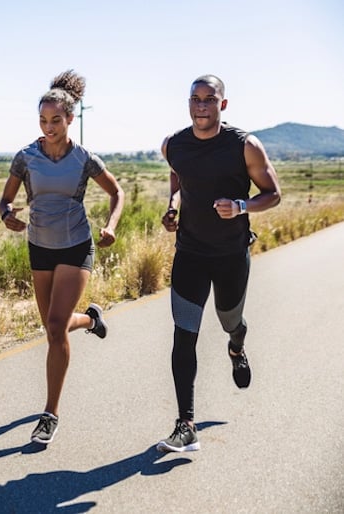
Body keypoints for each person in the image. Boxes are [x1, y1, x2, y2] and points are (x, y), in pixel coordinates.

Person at [0, 69, 124, 445]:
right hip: (39, 246)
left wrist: (112, 226)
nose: (48, 126)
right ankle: (90, 319)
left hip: (74, 245)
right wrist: (7, 215)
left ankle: (50, 413)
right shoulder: (26, 157)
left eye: (56, 120)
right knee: (53, 327)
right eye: (42, 120)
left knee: (54, 328)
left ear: (71, 119)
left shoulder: (85, 159)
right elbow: (5, 199)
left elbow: (117, 193)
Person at [156, 74, 281, 452]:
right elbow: (179, 177)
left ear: (222, 105)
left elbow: (273, 194)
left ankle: (237, 347)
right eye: (195, 99)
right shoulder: (173, 145)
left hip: (230, 255)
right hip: (190, 253)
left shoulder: (245, 146)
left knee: (231, 321)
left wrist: (242, 206)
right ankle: (186, 424)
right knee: (184, 334)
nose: (201, 106)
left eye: (209, 99)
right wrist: (173, 205)